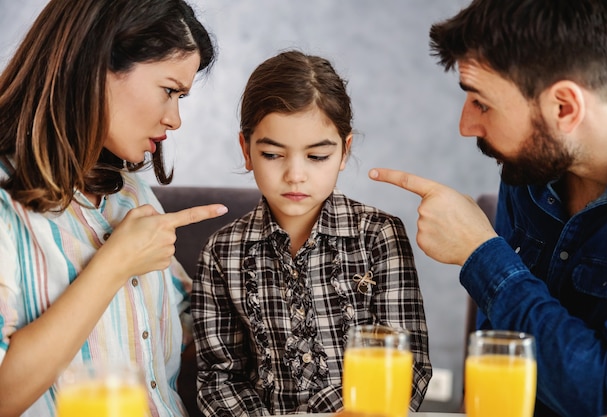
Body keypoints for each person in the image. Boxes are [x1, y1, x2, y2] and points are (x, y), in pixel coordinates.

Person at [368, 1, 607, 416]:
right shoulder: (531, 172)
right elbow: (499, 356)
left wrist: (481, 252)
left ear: (564, 107)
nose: (466, 125)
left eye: (482, 103)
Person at [0, 1, 227, 416]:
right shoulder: (5, 207)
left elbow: (188, 330)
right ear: (97, 63)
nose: (175, 119)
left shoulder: (130, 193)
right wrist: (114, 264)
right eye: (169, 90)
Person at [191, 50, 431, 416]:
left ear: (344, 152)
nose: (295, 175)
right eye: (273, 155)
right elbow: (221, 377)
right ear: (246, 149)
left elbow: (408, 363)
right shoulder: (222, 252)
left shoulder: (379, 235)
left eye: (317, 157)